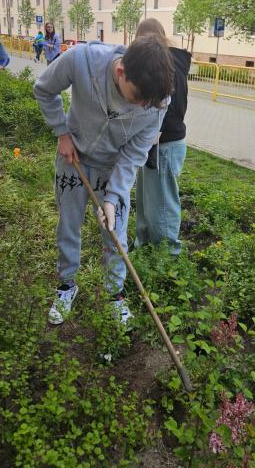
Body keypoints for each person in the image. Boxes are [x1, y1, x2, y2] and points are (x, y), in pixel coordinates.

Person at [33, 36, 174, 325]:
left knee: (115, 232)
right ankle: (66, 286)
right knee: (69, 225)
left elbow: (136, 151)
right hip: (74, 159)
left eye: (149, 102)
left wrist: (113, 196)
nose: (143, 106)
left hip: (113, 167)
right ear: (121, 72)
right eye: (137, 98)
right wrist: (62, 132)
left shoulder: (157, 103)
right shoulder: (81, 60)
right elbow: (44, 90)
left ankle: (115, 294)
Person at [133, 19, 190, 256]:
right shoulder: (161, 62)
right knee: (147, 201)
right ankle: (144, 246)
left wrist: (153, 133)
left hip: (164, 144)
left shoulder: (170, 66)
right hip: (152, 143)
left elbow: (171, 108)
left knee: (163, 205)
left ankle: (168, 257)